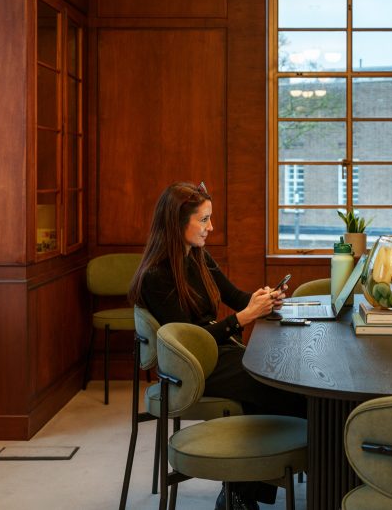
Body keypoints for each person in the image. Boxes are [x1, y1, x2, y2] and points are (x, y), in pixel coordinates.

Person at [127, 181, 305, 510]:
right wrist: (242, 318)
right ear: (178, 223)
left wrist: (263, 300)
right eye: (204, 219)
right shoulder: (156, 276)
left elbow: (236, 298)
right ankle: (254, 486)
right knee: (278, 386)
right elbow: (192, 339)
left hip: (213, 351)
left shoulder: (198, 256)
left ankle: (243, 491)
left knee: (273, 382)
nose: (212, 227)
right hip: (190, 367)